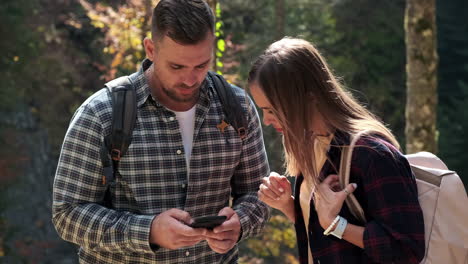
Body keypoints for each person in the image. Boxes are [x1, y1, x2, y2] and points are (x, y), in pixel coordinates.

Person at [52, 0, 270, 263]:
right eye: (176, 67)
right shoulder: (101, 113)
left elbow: (259, 196)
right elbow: (68, 215)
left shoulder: (237, 107)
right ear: (151, 49)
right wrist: (149, 231)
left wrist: (240, 224)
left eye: (201, 65)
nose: (190, 80)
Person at [248, 37, 425, 264]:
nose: (266, 120)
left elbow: (406, 250)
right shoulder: (313, 145)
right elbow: (321, 234)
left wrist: (336, 224)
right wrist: (289, 205)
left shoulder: (373, 155)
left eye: (271, 109)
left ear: (307, 97)